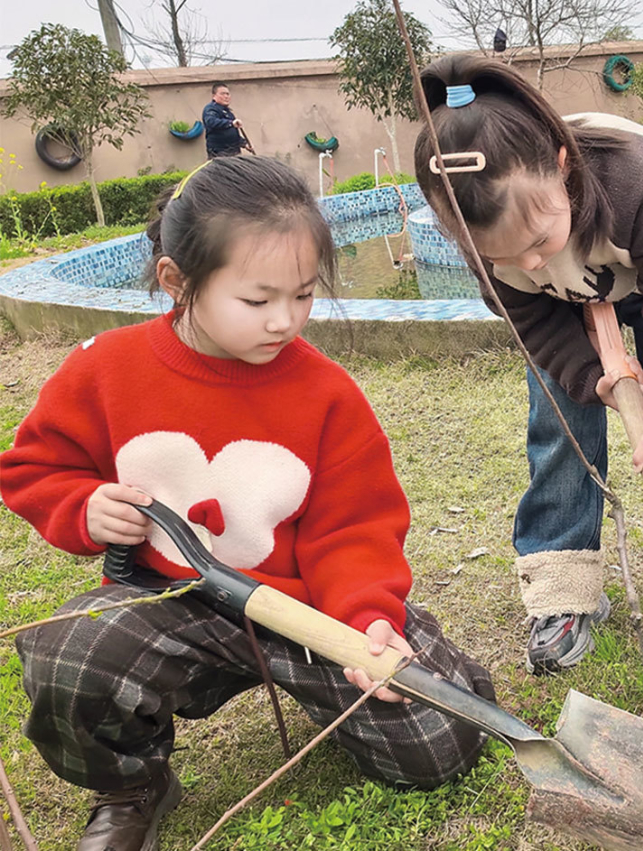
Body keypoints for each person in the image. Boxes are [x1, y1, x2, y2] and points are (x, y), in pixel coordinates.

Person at [0, 157, 494, 851]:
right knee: (71, 658)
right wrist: (82, 507)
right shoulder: (103, 369)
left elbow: (353, 529)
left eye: (301, 295)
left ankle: (438, 666)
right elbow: (33, 466)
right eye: (258, 301)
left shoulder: (326, 395)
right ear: (178, 280)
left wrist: (367, 618)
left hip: (303, 609)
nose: (285, 320)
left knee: (438, 742)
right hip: (169, 602)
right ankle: (134, 784)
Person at [413, 55, 643, 675]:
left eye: (540, 241)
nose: (532, 262)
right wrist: (587, 378)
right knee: (559, 426)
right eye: (509, 256)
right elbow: (533, 323)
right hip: (565, 309)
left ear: (563, 168)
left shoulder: (639, 184)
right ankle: (564, 589)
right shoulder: (484, 236)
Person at [202, 82, 250, 159]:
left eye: (228, 94)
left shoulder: (229, 113)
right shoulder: (211, 109)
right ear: (214, 96)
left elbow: (233, 135)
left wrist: (244, 144)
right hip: (219, 153)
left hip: (233, 152)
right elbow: (211, 122)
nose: (226, 96)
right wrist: (231, 123)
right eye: (222, 94)